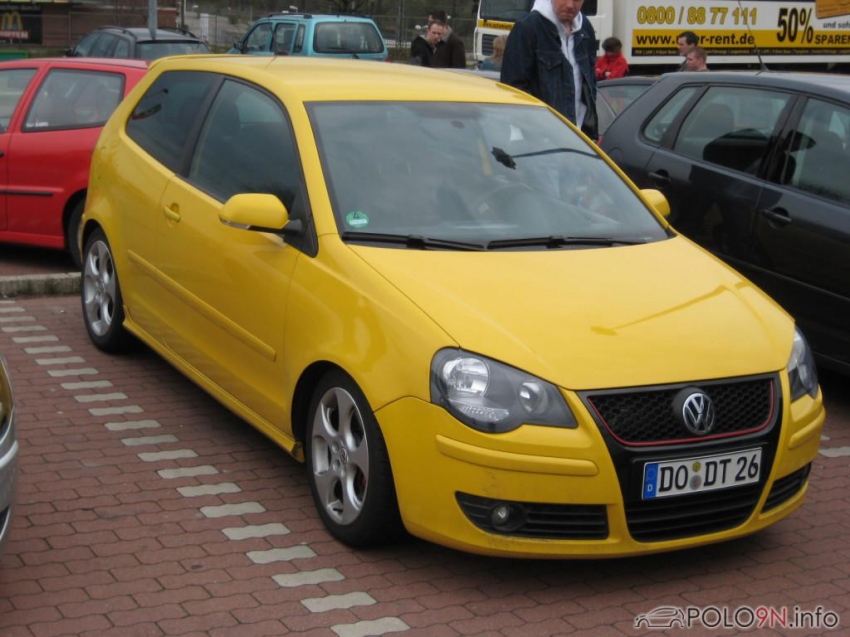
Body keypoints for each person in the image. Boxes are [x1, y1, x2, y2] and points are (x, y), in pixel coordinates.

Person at [500, 0, 598, 140]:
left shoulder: (585, 29)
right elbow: (513, 90)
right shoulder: (528, 27)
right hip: (539, 139)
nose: (570, 5)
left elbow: (590, 86)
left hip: (579, 138)